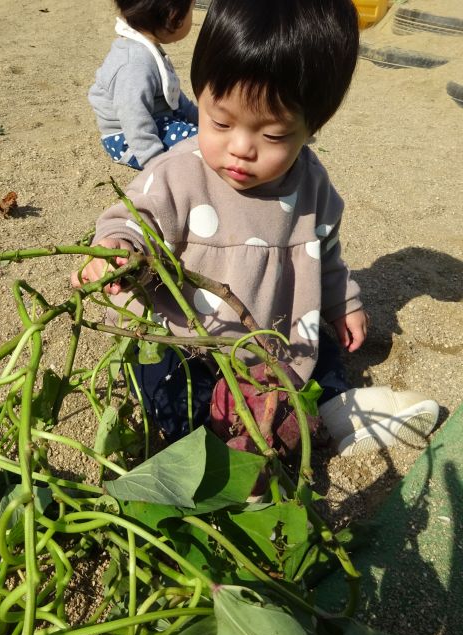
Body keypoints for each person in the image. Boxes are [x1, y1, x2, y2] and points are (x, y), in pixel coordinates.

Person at [74, 0, 439, 457]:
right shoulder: (176, 173)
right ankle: (217, 440)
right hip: (189, 337)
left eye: (273, 136)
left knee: (320, 356)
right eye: (220, 121)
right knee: (166, 386)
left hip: (275, 338)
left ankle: (332, 408)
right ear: (200, 95)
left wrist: (344, 302)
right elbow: (131, 218)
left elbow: (327, 252)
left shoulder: (312, 184)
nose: (240, 148)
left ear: (313, 126)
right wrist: (114, 248)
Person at [88, 0, 199, 170]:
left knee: (210, 136)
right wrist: (155, 163)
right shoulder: (134, 63)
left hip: (156, 121)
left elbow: (175, 97)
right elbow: (133, 117)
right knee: (201, 144)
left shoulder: (146, 49)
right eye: (191, 9)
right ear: (173, 16)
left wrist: (205, 121)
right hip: (129, 140)